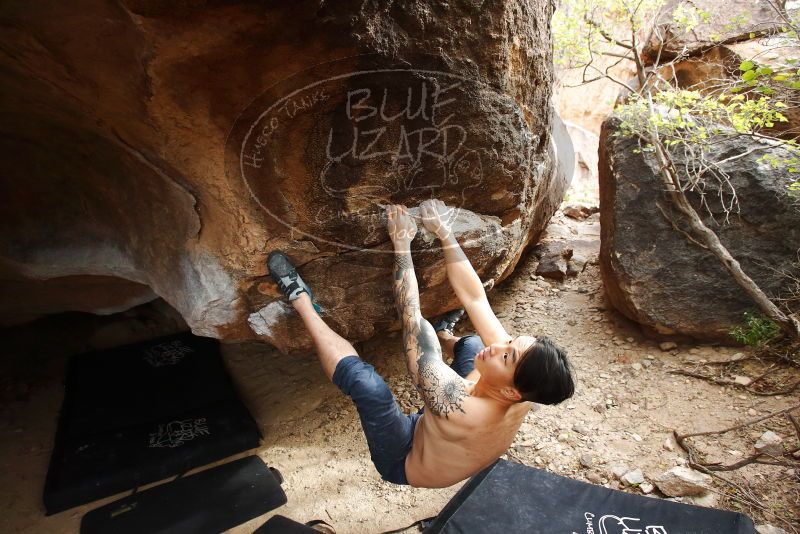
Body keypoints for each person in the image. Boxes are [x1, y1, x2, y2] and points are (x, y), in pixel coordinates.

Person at [267, 199, 574, 488]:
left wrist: (401, 243)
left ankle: (300, 299)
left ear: (510, 392)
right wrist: (444, 232)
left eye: (507, 356)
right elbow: (475, 298)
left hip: (405, 456)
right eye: (510, 343)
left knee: (368, 386)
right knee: (474, 346)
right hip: (445, 427)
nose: (500, 346)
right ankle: (444, 333)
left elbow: (411, 316)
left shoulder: (454, 402)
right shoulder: (528, 384)